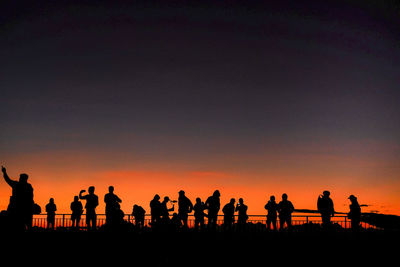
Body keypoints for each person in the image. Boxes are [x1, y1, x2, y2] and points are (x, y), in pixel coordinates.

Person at [1, 166, 34, 231]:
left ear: (22, 178)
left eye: (20, 178)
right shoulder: (29, 186)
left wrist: (4, 172)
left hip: (15, 208)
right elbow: (31, 197)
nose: (19, 178)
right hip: (26, 209)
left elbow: (7, 180)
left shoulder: (16, 184)